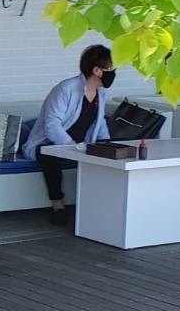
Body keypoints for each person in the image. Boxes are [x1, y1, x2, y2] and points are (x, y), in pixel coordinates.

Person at [25, 45, 116, 225]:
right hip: (49, 144)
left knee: (104, 159)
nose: (113, 73)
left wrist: (106, 144)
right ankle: (58, 207)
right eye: (110, 69)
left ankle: (96, 205)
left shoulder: (100, 93)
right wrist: (71, 146)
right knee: (51, 157)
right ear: (97, 70)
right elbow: (52, 126)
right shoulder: (65, 89)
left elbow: (100, 123)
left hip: (79, 146)